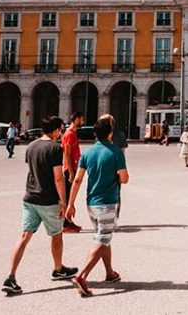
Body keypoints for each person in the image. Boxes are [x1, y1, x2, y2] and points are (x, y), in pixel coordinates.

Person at [2, 116, 78, 295]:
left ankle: (10, 277)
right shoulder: (55, 148)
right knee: (56, 235)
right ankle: (58, 269)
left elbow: (33, 170)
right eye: (60, 129)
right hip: (48, 199)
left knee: (24, 236)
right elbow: (58, 177)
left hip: (30, 198)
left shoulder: (31, 146)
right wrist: (64, 202)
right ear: (56, 130)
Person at [66, 116, 129, 297]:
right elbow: (124, 178)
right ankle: (82, 276)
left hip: (91, 204)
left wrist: (70, 204)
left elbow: (77, 179)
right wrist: (116, 177)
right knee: (102, 239)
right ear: (110, 133)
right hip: (108, 203)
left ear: (95, 133)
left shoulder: (87, 153)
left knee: (103, 236)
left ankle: (109, 272)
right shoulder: (116, 152)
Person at [61, 112, 84, 233]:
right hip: (69, 169)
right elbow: (67, 154)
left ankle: (67, 222)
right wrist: (71, 172)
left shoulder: (73, 133)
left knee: (69, 197)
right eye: (81, 119)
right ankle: (65, 224)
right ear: (75, 120)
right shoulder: (69, 134)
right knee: (67, 198)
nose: (83, 121)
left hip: (73, 168)